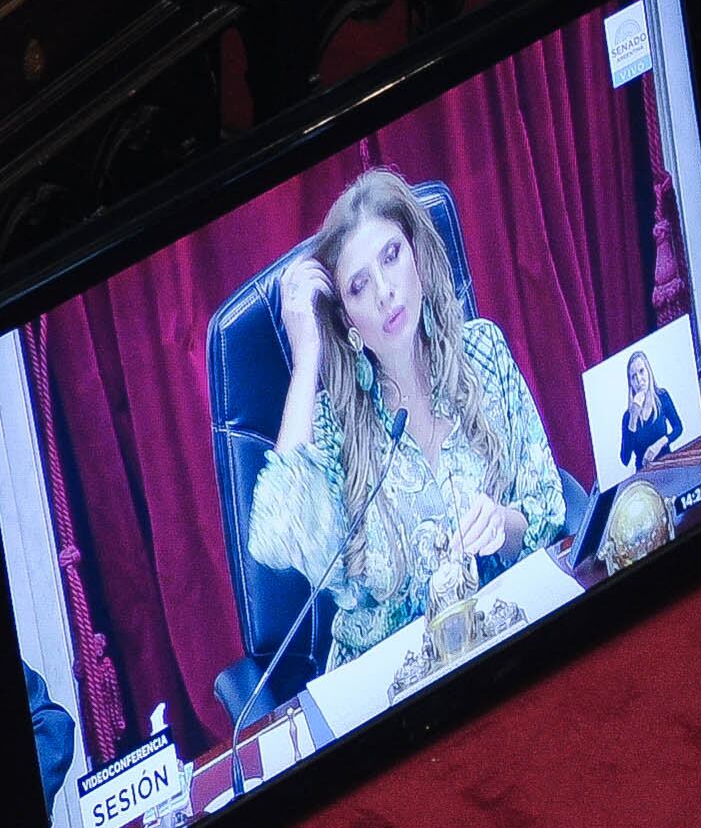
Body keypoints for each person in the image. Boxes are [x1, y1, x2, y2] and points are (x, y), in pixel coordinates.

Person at [242, 169, 566, 672]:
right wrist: (307, 353)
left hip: (499, 650)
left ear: (415, 255)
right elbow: (275, 533)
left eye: (391, 256)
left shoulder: (484, 351)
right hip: (390, 690)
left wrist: (504, 524)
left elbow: (547, 512)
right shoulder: (333, 427)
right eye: (358, 286)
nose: (386, 292)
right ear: (346, 317)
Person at [618, 347, 686, 470]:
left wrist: (660, 443)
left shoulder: (662, 396)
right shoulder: (627, 416)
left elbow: (678, 428)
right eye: (633, 377)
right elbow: (625, 459)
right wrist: (633, 418)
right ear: (631, 384)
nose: (639, 379)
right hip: (644, 473)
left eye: (641, 371)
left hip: (667, 464)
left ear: (648, 371)